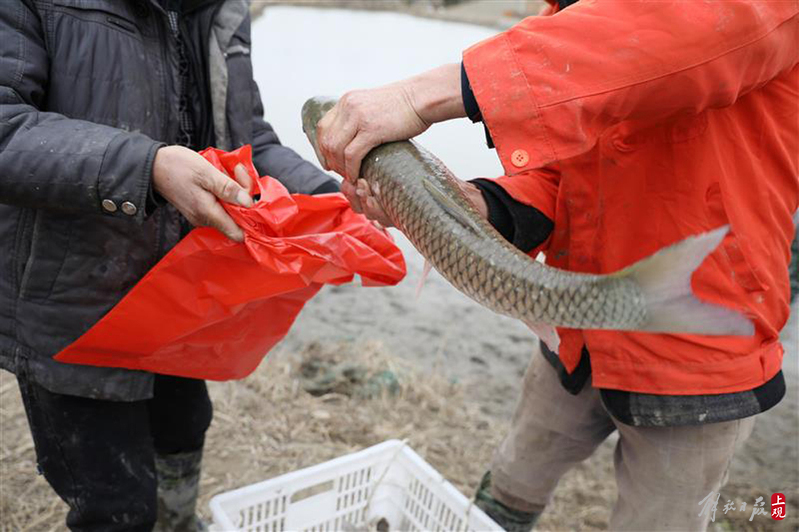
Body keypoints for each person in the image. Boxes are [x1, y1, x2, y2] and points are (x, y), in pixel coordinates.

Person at [315, 1, 798, 530]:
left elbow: (674, 32)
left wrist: (424, 95)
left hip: (697, 349)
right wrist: (482, 207)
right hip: (574, 333)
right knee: (510, 485)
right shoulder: (566, 13)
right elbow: (563, 173)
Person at [0, 1, 338, 530]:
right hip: (71, 307)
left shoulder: (222, 9)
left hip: (177, 296)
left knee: (186, 428)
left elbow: (249, 138)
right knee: (117, 504)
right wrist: (147, 166)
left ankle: (177, 523)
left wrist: (332, 198)